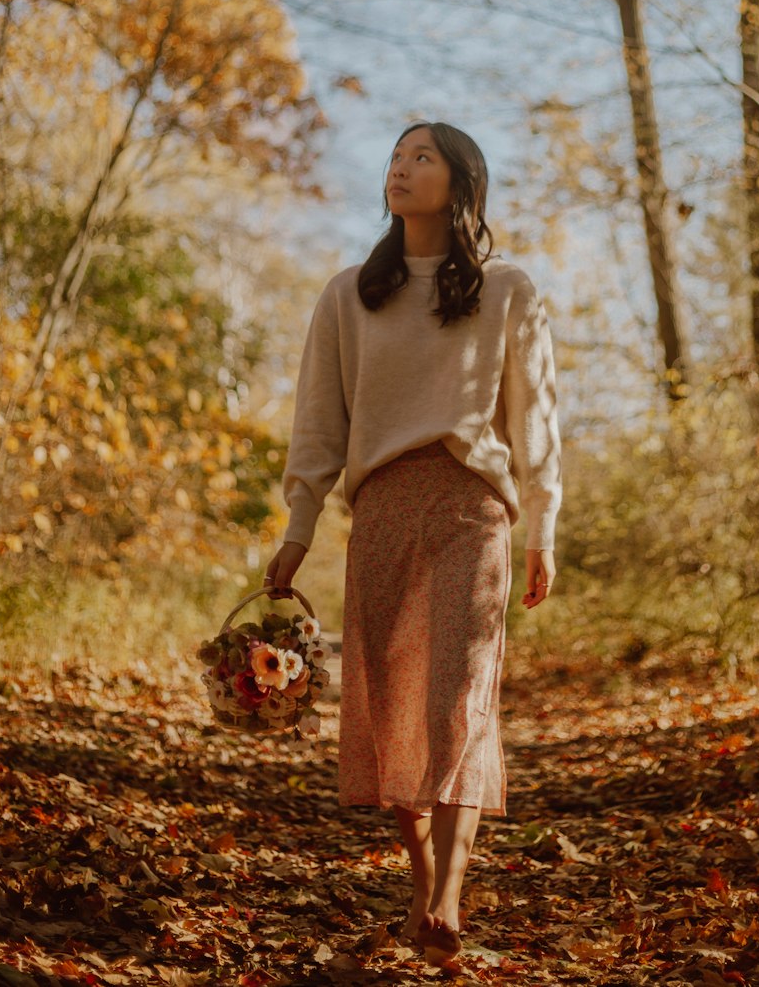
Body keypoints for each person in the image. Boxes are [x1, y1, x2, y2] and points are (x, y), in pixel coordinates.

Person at [263, 120, 562, 967]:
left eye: (421, 156)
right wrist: (298, 527)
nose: (401, 167)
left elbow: (535, 424)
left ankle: (450, 891)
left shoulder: (508, 291)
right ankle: (421, 862)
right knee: (394, 704)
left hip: (473, 508)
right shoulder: (348, 294)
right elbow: (318, 424)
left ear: (462, 182)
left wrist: (542, 528)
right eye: (394, 155)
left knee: (459, 695)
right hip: (384, 509)